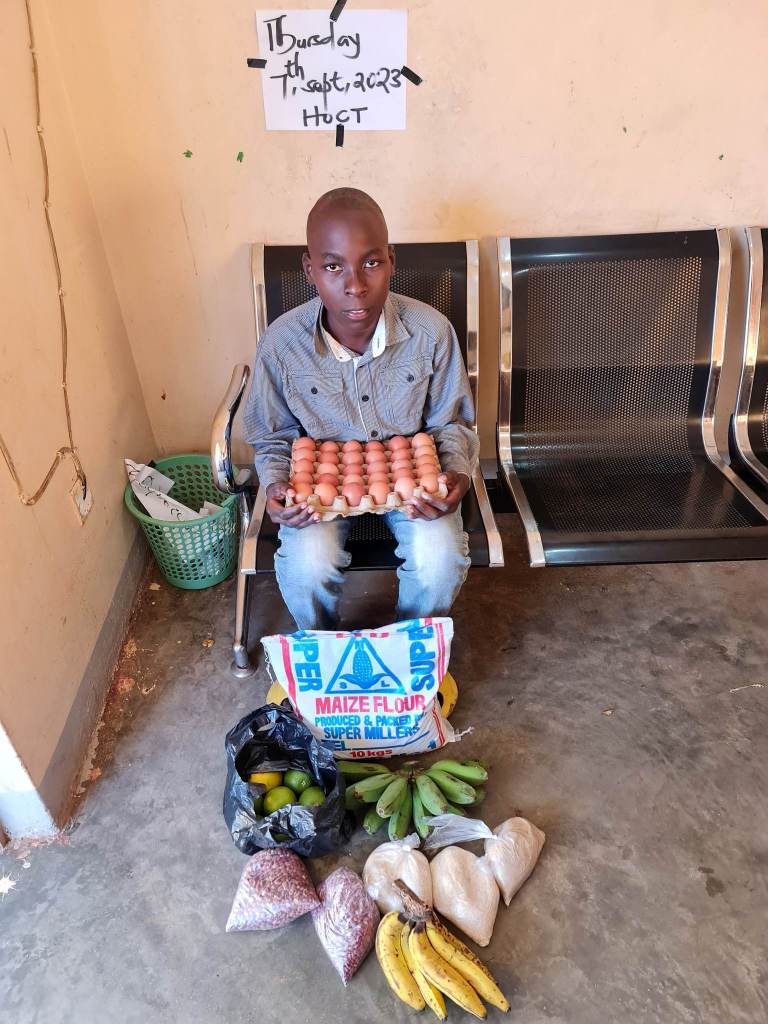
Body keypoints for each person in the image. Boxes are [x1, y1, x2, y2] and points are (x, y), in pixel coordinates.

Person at [243, 188, 479, 630]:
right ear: (310, 270)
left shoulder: (431, 331)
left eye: (371, 263)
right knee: (306, 567)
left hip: (413, 485)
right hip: (319, 486)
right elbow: (272, 435)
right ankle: (325, 647)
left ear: (391, 260)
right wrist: (276, 486)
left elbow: (451, 422)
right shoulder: (282, 343)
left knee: (440, 560)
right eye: (333, 266)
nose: (355, 285)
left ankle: (410, 648)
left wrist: (456, 475)